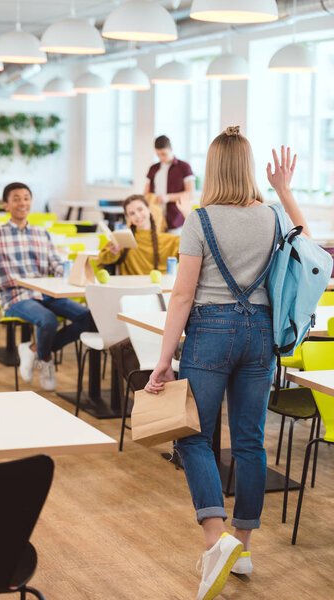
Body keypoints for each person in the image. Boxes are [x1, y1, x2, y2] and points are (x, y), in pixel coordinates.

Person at [144, 129, 311, 600]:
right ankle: (242, 545)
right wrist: (284, 190)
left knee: (194, 436)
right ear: (249, 168)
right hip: (261, 333)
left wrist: (162, 360)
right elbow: (312, 253)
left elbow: (181, 295)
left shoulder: (199, 220)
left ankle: (214, 540)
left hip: (210, 333)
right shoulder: (273, 215)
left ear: (214, 169)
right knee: (250, 442)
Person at [0, 182, 91, 392]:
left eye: (26, 198)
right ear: (6, 205)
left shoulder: (41, 233)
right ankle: (45, 359)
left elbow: (55, 266)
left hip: (46, 293)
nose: (22, 203)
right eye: (16, 199)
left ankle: (34, 349)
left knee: (89, 318)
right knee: (48, 320)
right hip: (15, 297)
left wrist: (73, 268)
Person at [97, 194, 180, 275]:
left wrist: (187, 214)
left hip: (160, 288)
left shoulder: (168, 240)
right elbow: (100, 261)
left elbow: (189, 250)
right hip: (130, 287)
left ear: (149, 209)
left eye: (140, 209)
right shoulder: (123, 238)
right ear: (128, 218)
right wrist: (113, 253)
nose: (137, 215)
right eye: (132, 213)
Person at [144, 135, 195, 234]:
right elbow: (146, 194)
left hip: (176, 220)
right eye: (158, 155)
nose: (161, 158)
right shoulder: (153, 168)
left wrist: (168, 197)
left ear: (171, 149)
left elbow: (190, 194)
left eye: (164, 154)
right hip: (155, 219)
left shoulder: (184, 167)